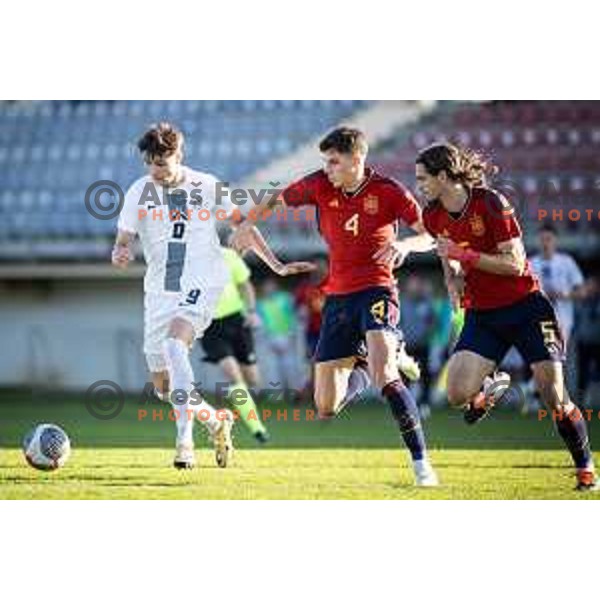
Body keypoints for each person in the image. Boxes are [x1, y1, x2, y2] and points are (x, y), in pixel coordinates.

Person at [232, 127, 439, 486]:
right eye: (325, 161)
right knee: (326, 406)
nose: (326, 168)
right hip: (338, 298)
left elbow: (430, 233)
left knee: (385, 374)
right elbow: (274, 198)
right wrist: (247, 224)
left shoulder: (388, 191)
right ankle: (370, 357)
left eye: (333, 161)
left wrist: (405, 246)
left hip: (377, 289)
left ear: (357, 159)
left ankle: (422, 465)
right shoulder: (318, 185)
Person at [112, 122, 313, 469]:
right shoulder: (138, 191)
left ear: (179, 155)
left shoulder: (205, 185)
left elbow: (243, 225)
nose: (155, 170)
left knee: (176, 347)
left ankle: (184, 443)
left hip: (202, 281)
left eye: (162, 162)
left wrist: (276, 265)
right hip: (160, 291)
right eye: (150, 162)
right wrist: (121, 251)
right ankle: (215, 420)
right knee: (163, 387)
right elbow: (124, 238)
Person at [416, 142, 596, 491]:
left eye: (424, 177)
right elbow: (445, 253)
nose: (418, 183)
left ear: (443, 175)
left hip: (526, 307)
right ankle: (490, 386)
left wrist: (462, 257)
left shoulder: (491, 202)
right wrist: (452, 280)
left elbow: (514, 265)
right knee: (455, 394)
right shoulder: (432, 214)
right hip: (483, 315)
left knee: (554, 396)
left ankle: (585, 466)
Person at [200, 244, 270, 444]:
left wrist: (251, 311)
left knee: (253, 380)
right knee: (233, 375)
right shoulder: (188, 259)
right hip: (209, 326)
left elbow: (245, 285)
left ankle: (239, 404)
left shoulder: (228, 256)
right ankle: (258, 429)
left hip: (236, 321)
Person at [531, 222, 586, 344]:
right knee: (546, 360)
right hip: (537, 321)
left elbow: (582, 292)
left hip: (562, 320)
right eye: (542, 239)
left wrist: (564, 295)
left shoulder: (567, 262)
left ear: (555, 240)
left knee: (555, 359)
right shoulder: (530, 264)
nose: (545, 243)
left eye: (548, 239)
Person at [257, 278, 301, 396]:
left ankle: (294, 392)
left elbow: (293, 317)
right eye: (266, 287)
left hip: (287, 336)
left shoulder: (285, 298)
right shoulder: (261, 304)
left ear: (275, 287)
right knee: (273, 369)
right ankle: (277, 394)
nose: (268, 289)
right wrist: (266, 340)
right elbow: (261, 323)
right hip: (271, 338)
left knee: (290, 367)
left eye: (270, 286)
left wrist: (292, 336)